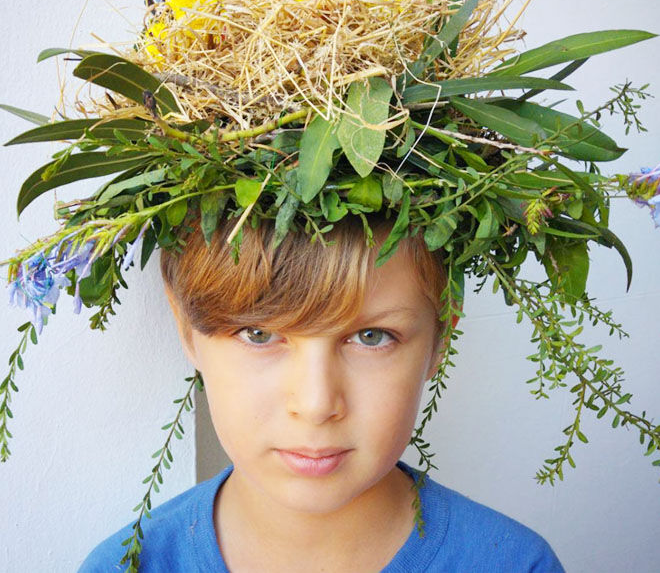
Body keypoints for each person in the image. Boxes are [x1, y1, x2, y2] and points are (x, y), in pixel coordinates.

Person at [79, 214, 564, 572]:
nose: (314, 405)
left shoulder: (517, 564)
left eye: (371, 337)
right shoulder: (123, 567)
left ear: (441, 335)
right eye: (259, 334)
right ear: (187, 330)